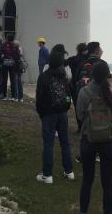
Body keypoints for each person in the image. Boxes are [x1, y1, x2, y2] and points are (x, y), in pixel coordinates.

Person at [76, 61, 112, 214]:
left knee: (87, 180)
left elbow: (80, 116)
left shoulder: (84, 92)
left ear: (92, 74)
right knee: (107, 183)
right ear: (108, 74)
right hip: (108, 141)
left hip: (88, 139)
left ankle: (83, 211)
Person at [35, 51, 74, 184]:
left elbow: (39, 99)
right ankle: (69, 172)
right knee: (65, 142)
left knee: (48, 144)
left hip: (48, 114)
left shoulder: (43, 77)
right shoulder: (64, 77)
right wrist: (66, 108)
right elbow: (69, 96)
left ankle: (47, 175)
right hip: (62, 114)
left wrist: (41, 114)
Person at [0, 34, 20, 100]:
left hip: (5, 63)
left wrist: (3, 59)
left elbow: (0, 53)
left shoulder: (4, 45)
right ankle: (13, 96)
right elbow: (18, 55)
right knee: (13, 80)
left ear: (7, 38)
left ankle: (4, 95)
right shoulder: (15, 46)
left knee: (4, 80)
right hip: (12, 64)